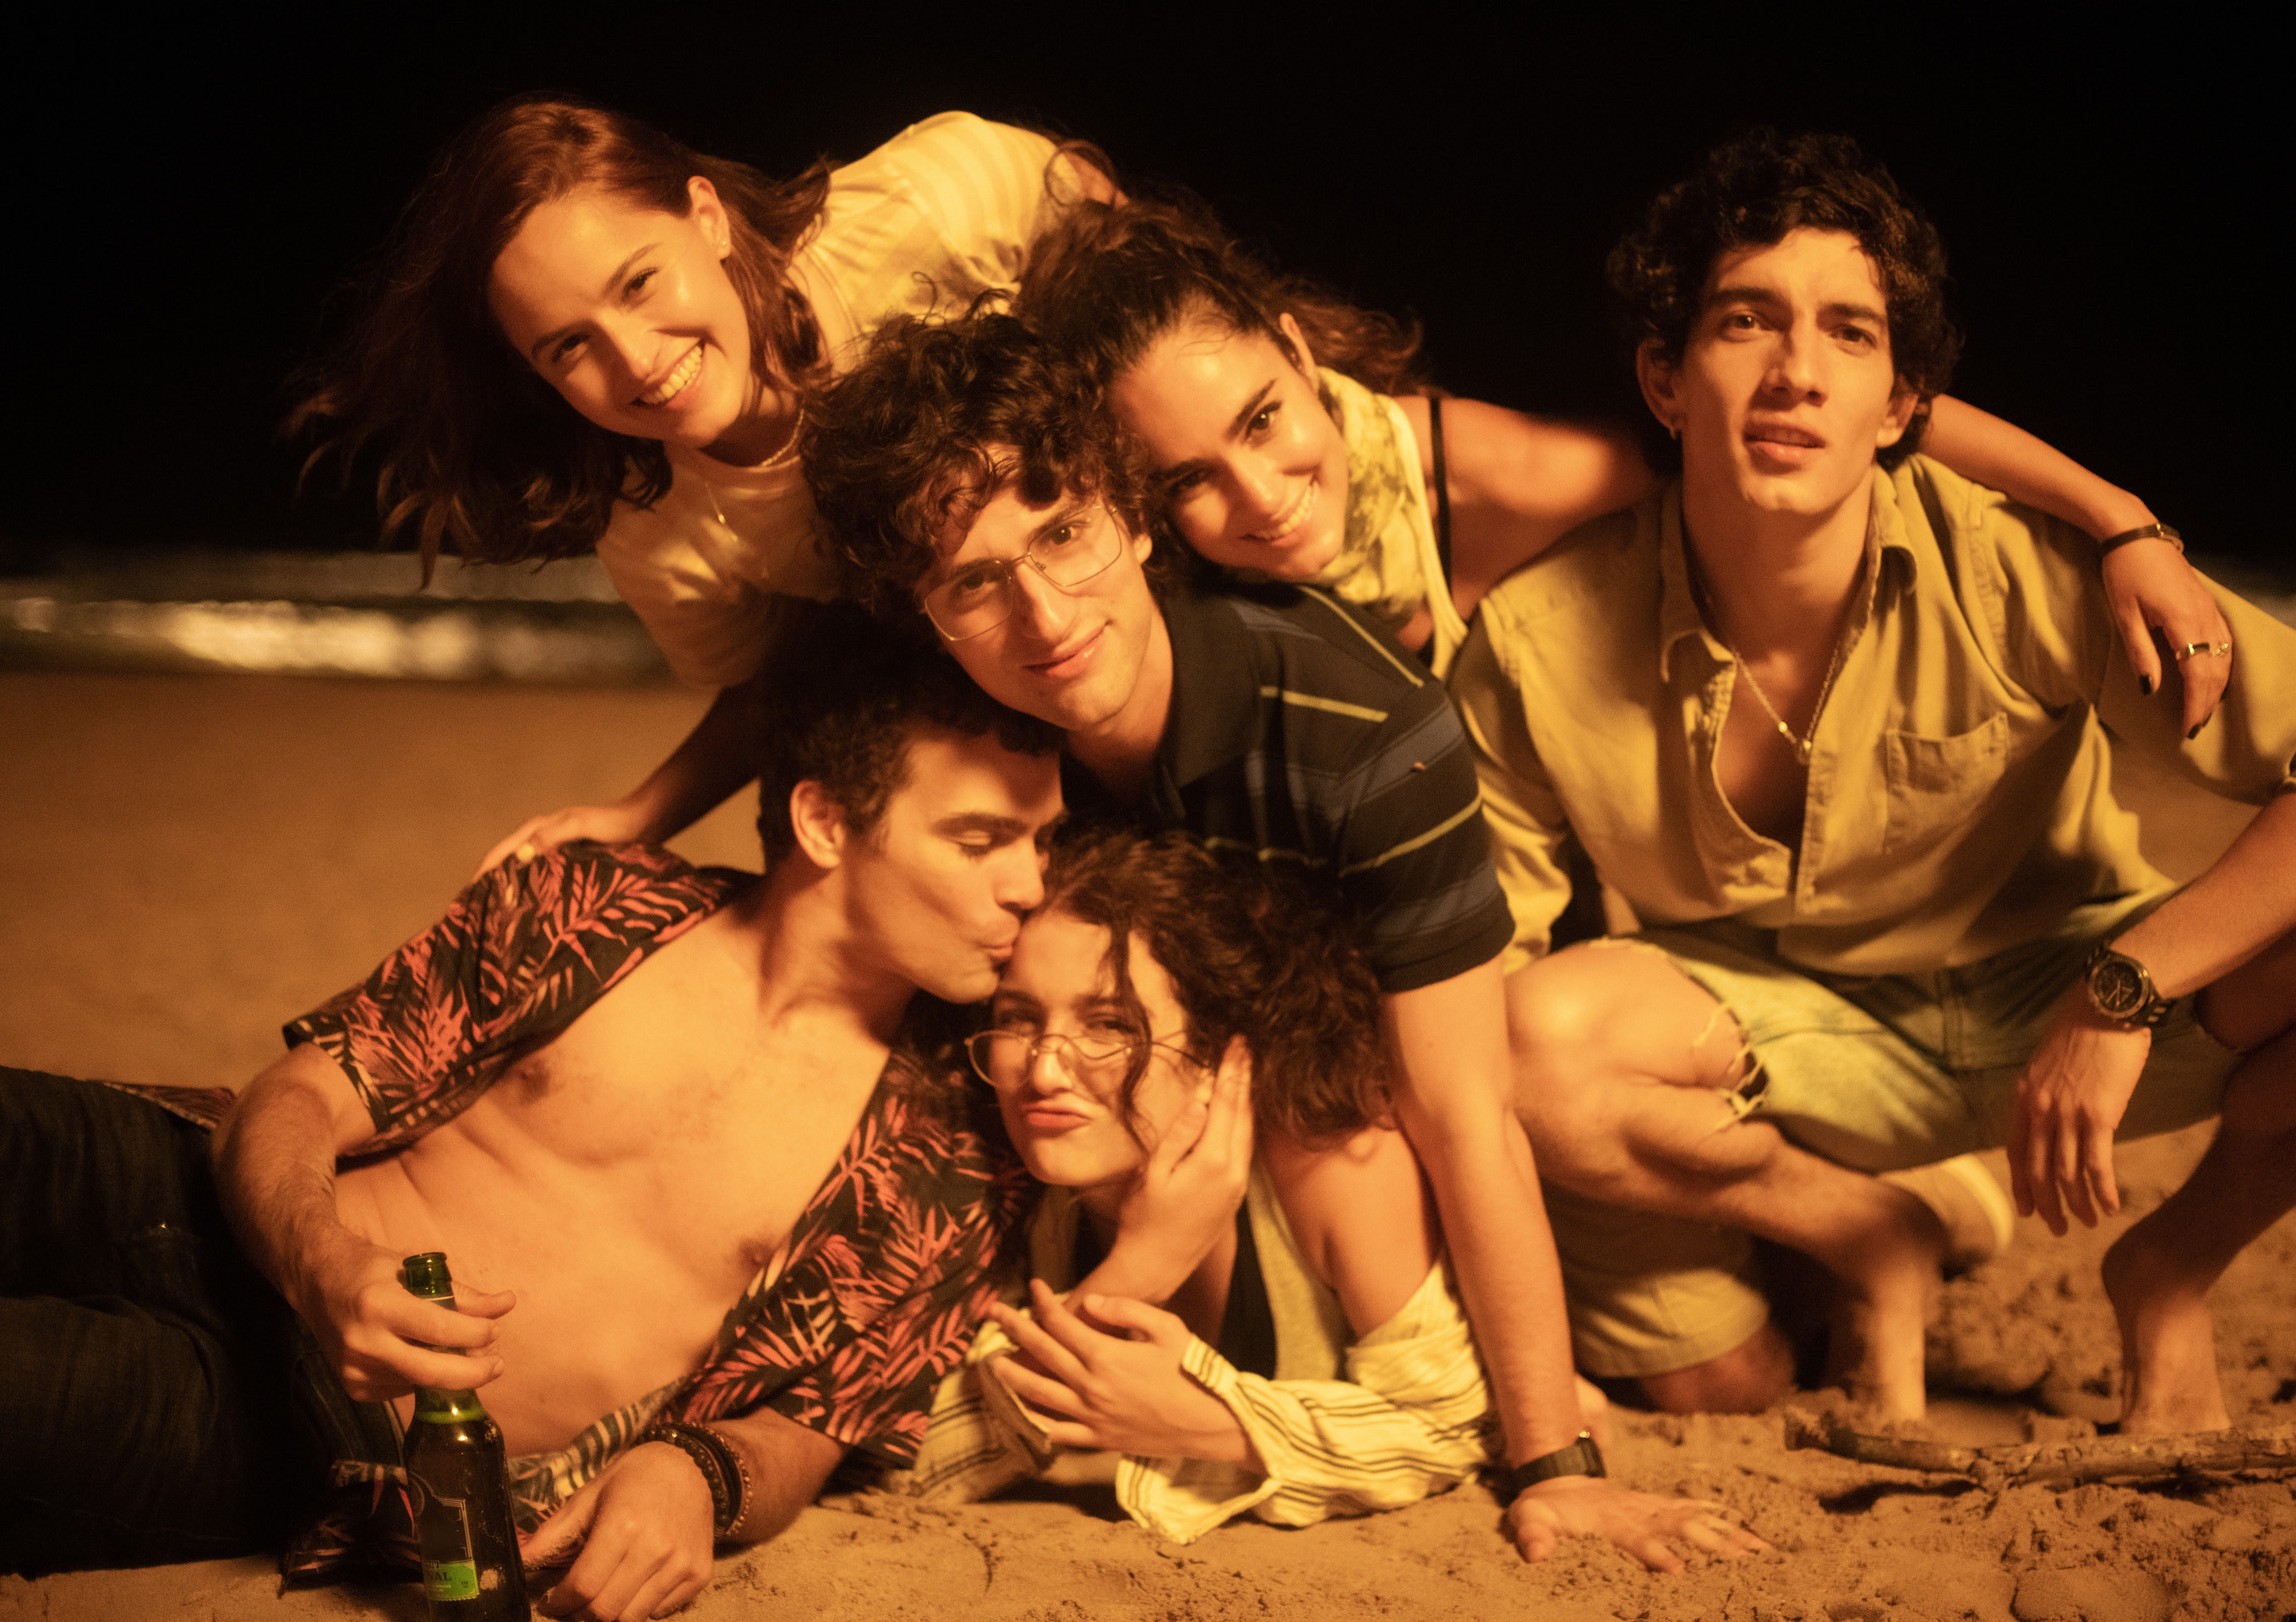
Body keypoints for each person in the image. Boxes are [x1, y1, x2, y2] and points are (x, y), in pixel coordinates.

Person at [1450, 128, 2296, 1430]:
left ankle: (2170, 1271)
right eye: (1746, 321)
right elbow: (1466, 999)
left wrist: (2125, 989)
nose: (1797, 373)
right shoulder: (1536, 639)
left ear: (1903, 407)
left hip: (2061, 993)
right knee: (1712, 1366)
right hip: (1782, 1042)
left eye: (1850, 335)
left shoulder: (2012, 568)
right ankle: (1870, 1228)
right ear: (1667, 378)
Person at [804, 311, 1741, 1567]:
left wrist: (1550, 1460)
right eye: (975, 583)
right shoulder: (973, 757)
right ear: (926, 616)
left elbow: (1461, 1111)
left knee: (1712, 1371)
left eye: (1065, 537)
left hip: (1376, 1092)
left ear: (1130, 519)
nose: (1044, 615)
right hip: (1137, 1134)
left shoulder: (1363, 737)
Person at [0, 610, 1062, 1618]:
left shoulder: (950, 1156)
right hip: (191, 1190)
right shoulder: (597, 905)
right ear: (826, 821)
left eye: (1043, 843)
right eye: (982, 841)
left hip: (313, 1422)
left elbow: (811, 1429)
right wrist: (320, 1258)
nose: (1029, 888)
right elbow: (303, 1093)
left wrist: (697, 1475)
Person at [1012, 193, 2231, 733]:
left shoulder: (1505, 479)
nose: (1261, 499)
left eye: (1265, 423)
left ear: (1291, 348)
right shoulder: (1108, 558)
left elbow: (1835, 424)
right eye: (1186, 481)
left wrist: (2118, 522)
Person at [894, 825, 1769, 1561]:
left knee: (1731, 1381)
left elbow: (1459, 1425)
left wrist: (1208, 1425)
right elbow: (914, 1462)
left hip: (1635, 1261)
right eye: (1018, 1019)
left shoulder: (1333, 1156)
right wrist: (1137, 1271)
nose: (1044, 1068)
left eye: (1110, 1023)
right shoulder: (1028, 1173)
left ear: (1217, 1050)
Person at [291, 95, 1115, 874]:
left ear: (708, 216)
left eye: (638, 282)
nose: (638, 359)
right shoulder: (654, 531)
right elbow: (782, 681)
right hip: (977, 690)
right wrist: (642, 815)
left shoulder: (931, 206)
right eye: (570, 346)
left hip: (1138, 585)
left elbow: (1152, 283)